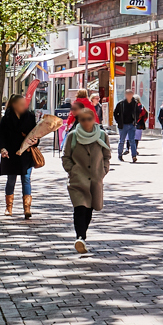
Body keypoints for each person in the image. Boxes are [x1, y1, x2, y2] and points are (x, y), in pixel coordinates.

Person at [61, 104, 110, 254]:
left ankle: (82, 236)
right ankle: (79, 237)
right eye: (83, 120)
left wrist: (103, 171)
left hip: (95, 179)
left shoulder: (102, 136)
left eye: (89, 119)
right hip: (78, 180)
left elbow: (107, 156)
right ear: (79, 121)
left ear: (94, 119)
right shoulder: (73, 136)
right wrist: (72, 170)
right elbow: (66, 156)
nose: (86, 122)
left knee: (89, 210)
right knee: (80, 208)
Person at [0, 92, 39, 219]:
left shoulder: (30, 116)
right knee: (11, 180)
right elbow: (0, 135)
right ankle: (9, 207)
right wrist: (2, 148)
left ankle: (27, 209)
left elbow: (36, 133)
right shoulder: (7, 118)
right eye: (21, 104)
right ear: (14, 105)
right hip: (11, 154)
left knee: (26, 179)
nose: (23, 106)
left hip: (26, 153)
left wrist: (35, 141)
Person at [113, 93, 143, 163]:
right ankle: (120, 155)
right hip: (123, 125)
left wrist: (135, 121)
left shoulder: (134, 104)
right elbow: (115, 113)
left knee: (132, 140)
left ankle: (134, 156)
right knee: (122, 140)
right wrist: (119, 121)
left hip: (131, 125)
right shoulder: (121, 104)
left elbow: (138, 113)